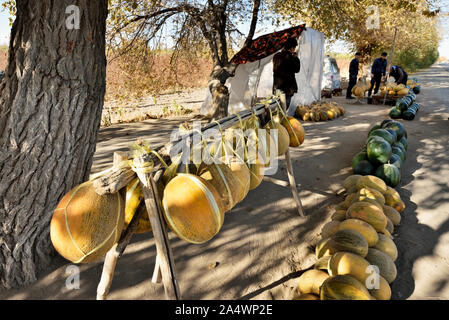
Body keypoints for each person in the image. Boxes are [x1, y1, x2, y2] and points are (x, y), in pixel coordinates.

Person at [273, 37, 301, 116]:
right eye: (294, 47)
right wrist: (296, 58)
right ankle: (280, 123)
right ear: (292, 47)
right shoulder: (291, 57)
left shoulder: (276, 56)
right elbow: (297, 69)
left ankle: (277, 122)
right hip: (288, 87)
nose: (294, 49)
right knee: (284, 107)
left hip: (277, 86)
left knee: (277, 106)